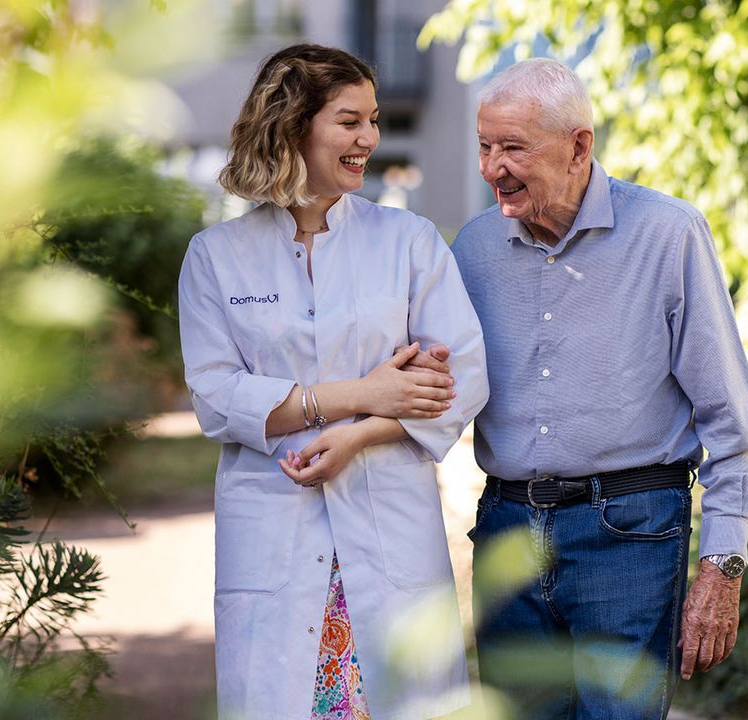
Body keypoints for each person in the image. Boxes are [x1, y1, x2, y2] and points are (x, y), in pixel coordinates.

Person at [449, 58, 748, 718]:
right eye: (484, 146)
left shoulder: (668, 233)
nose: (491, 167)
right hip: (506, 529)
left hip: (629, 532)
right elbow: (440, 389)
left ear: (578, 146)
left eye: (512, 148)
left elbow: (733, 426)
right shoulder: (474, 249)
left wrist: (723, 567)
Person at [177, 44, 488, 720]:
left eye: (373, 121)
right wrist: (365, 393)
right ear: (294, 125)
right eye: (350, 122)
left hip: (387, 529)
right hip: (274, 537)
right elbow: (218, 398)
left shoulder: (407, 243)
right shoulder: (216, 258)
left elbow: (460, 375)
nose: (369, 139)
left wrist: (358, 435)